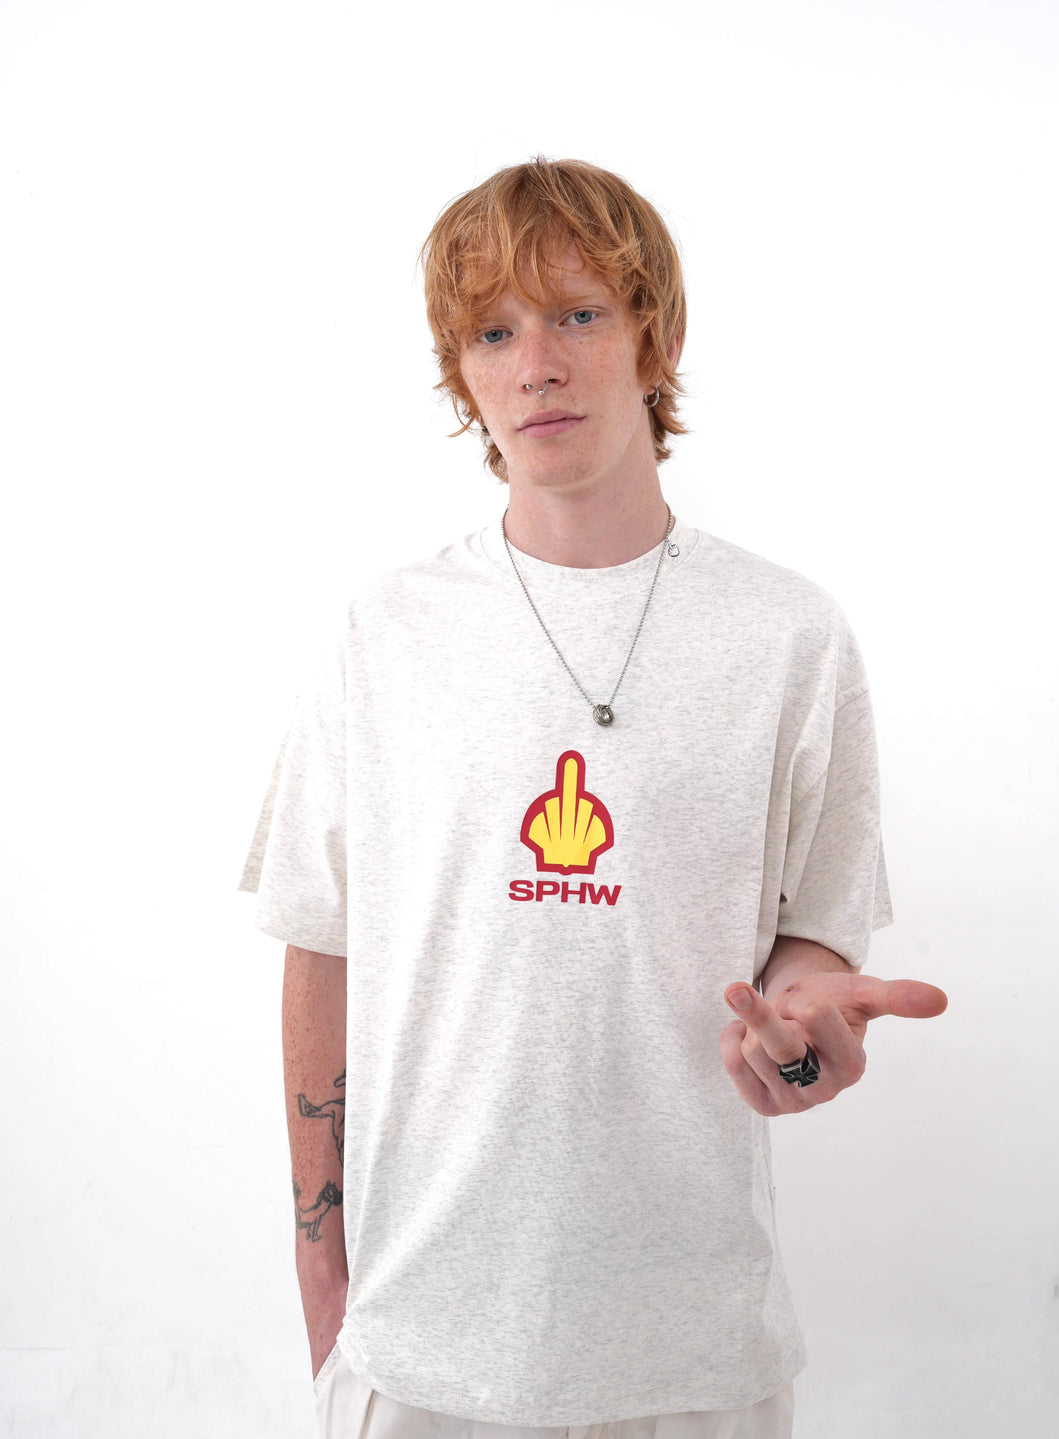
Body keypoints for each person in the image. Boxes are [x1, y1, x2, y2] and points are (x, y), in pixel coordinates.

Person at [238, 156, 948, 1439]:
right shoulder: (383, 634)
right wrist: (319, 1267)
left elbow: (812, 934)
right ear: (461, 373)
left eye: (578, 314)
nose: (537, 365)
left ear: (655, 340)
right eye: (492, 332)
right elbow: (320, 943)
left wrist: (797, 1023)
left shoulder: (790, 635)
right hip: (422, 1346)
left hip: (699, 1354)